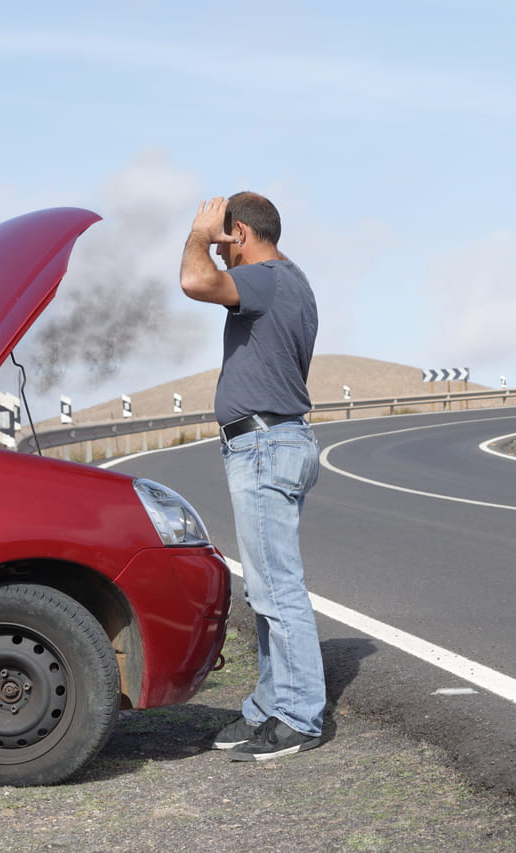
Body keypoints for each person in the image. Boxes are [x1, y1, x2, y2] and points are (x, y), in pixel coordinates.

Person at [179, 192, 325, 761]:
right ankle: (269, 706)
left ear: (239, 232)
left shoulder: (266, 277)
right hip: (273, 442)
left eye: (223, 239)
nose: (219, 250)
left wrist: (199, 235)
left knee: (276, 586)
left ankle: (299, 716)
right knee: (264, 586)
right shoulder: (290, 281)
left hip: (265, 445)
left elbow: (194, 281)